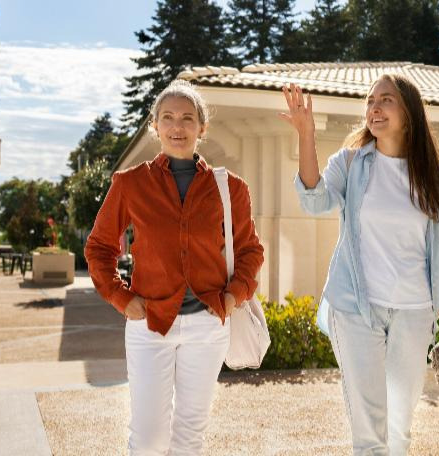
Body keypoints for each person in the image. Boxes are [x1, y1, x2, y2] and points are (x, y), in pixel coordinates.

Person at [278, 75, 439, 456]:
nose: (375, 107)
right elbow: (315, 202)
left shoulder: (434, 180)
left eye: (387, 100)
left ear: (409, 115)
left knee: (399, 427)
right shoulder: (351, 163)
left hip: (415, 313)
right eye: (370, 101)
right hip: (355, 309)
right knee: (371, 434)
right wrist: (306, 134)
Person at [86, 80, 264, 456]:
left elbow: (250, 251)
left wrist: (233, 297)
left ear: (202, 127)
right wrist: (122, 299)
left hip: (207, 326)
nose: (177, 127)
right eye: (167, 118)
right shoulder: (130, 184)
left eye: (187, 118)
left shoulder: (231, 188)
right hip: (150, 324)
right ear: (155, 126)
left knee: (189, 436)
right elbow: (99, 248)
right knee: (149, 439)